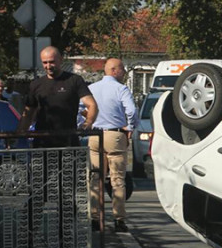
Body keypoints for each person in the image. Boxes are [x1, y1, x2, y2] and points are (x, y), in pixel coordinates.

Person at [88, 58, 138, 233]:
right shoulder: (121, 89)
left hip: (94, 135)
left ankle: (95, 218)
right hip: (115, 135)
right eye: (122, 69)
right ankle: (119, 219)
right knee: (117, 179)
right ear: (114, 70)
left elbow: (80, 109)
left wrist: (84, 124)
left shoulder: (92, 89)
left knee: (96, 178)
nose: (124, 72)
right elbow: (131, 110)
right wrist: (130, 127)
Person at [18, 46, 98, 147]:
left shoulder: (74, 80)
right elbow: (28, 114)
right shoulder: (36, 84)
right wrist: (18, 135)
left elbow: (92, 105)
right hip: (42, 143)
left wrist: (88, 123)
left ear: (61, 60)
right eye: (45, 62)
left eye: (52, 62)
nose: (48, 66)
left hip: (68, 142)